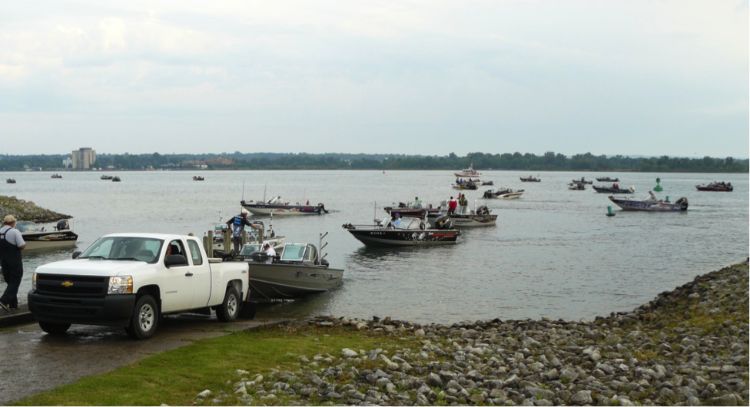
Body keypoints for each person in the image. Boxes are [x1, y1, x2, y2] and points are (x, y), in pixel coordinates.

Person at [0, 215, 26, 312]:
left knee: (10, 283)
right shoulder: (15, 231)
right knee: (15, 282)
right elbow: (21, 245)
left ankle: (13, 305)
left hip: (3, 262)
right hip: (14, 262)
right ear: (13, 223)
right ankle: (3, 300)